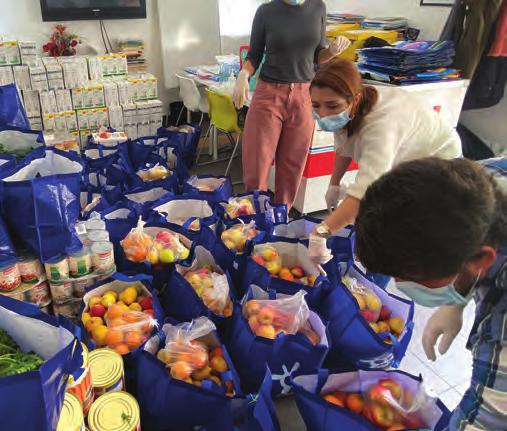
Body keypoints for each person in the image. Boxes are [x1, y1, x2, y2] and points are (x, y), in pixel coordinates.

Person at [354, 157, 507, 430]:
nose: (401, 286)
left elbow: (486, 419)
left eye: (414, 278)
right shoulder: (472, 187)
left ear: (480, 260)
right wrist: (457, 302)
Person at [308, 59, 462, 243]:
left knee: (406, 232)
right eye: (316, 105)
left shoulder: (381, 125)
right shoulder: (355, 104)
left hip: (440, 169)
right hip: (405, 165)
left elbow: (363, 194)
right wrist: (334, 184)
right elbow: (344, 143)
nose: (323, 114)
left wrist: (320, 234)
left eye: (332, 106)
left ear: (355, 99)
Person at [233, 0, 350, 209]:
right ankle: (254, 222)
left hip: (304, 96)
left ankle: (281, 219)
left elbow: (317, 56)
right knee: (256, 165)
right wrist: (243, 73)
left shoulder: (318, 8)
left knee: (292, 166)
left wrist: (331, 51)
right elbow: (254, 55)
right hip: (269, 94)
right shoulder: (266, 11)